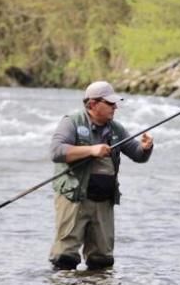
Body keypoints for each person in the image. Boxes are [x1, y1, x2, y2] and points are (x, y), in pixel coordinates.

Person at [49, 80, 153, 270]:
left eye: (115, 103)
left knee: (102, 261)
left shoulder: (116, 129)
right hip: (75, 198)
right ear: (93, 104)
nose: (115, 107)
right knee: (65, 258)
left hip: (103, 201)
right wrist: (91, 150)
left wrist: (146, 148)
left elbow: (138, 155)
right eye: (110, 103)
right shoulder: (71, 122)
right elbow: (56, 151)